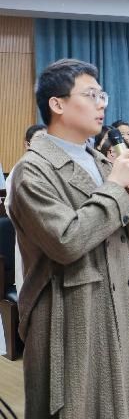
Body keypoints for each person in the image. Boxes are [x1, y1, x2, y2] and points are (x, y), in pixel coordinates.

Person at [8, 58, 129, 419]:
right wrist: (117, 190)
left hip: (117, 303)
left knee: (126, 417)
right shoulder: (32, 170)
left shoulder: (103, 161)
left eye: (102, 95)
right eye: (90, 95)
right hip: (69, 311)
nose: (100, 104)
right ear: (57, 104)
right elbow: (66, 241)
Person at [4, 124, 47, 294]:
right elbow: (10, 206)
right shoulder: (20, 169)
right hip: (30, 238)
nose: (44, 143)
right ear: (27, 144)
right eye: (39, 139)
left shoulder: (52, 168)